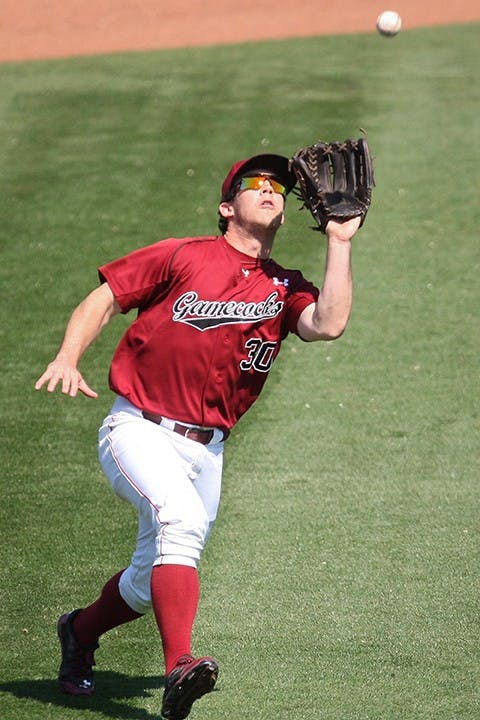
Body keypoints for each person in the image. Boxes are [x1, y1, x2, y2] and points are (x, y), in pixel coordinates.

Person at [35, 152, 361, 720]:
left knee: (147, 578)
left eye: (278, 187)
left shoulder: (285, 286)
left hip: (207, 452)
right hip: (139, 429)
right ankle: (180, 665)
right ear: (225, 205)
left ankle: (79, 631)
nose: (269, 189)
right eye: (253, 183)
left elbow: (328, 324)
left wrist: (340, 242)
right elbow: (106, 297)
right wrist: (68, 355)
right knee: (179, 525)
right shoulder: (183, 255)